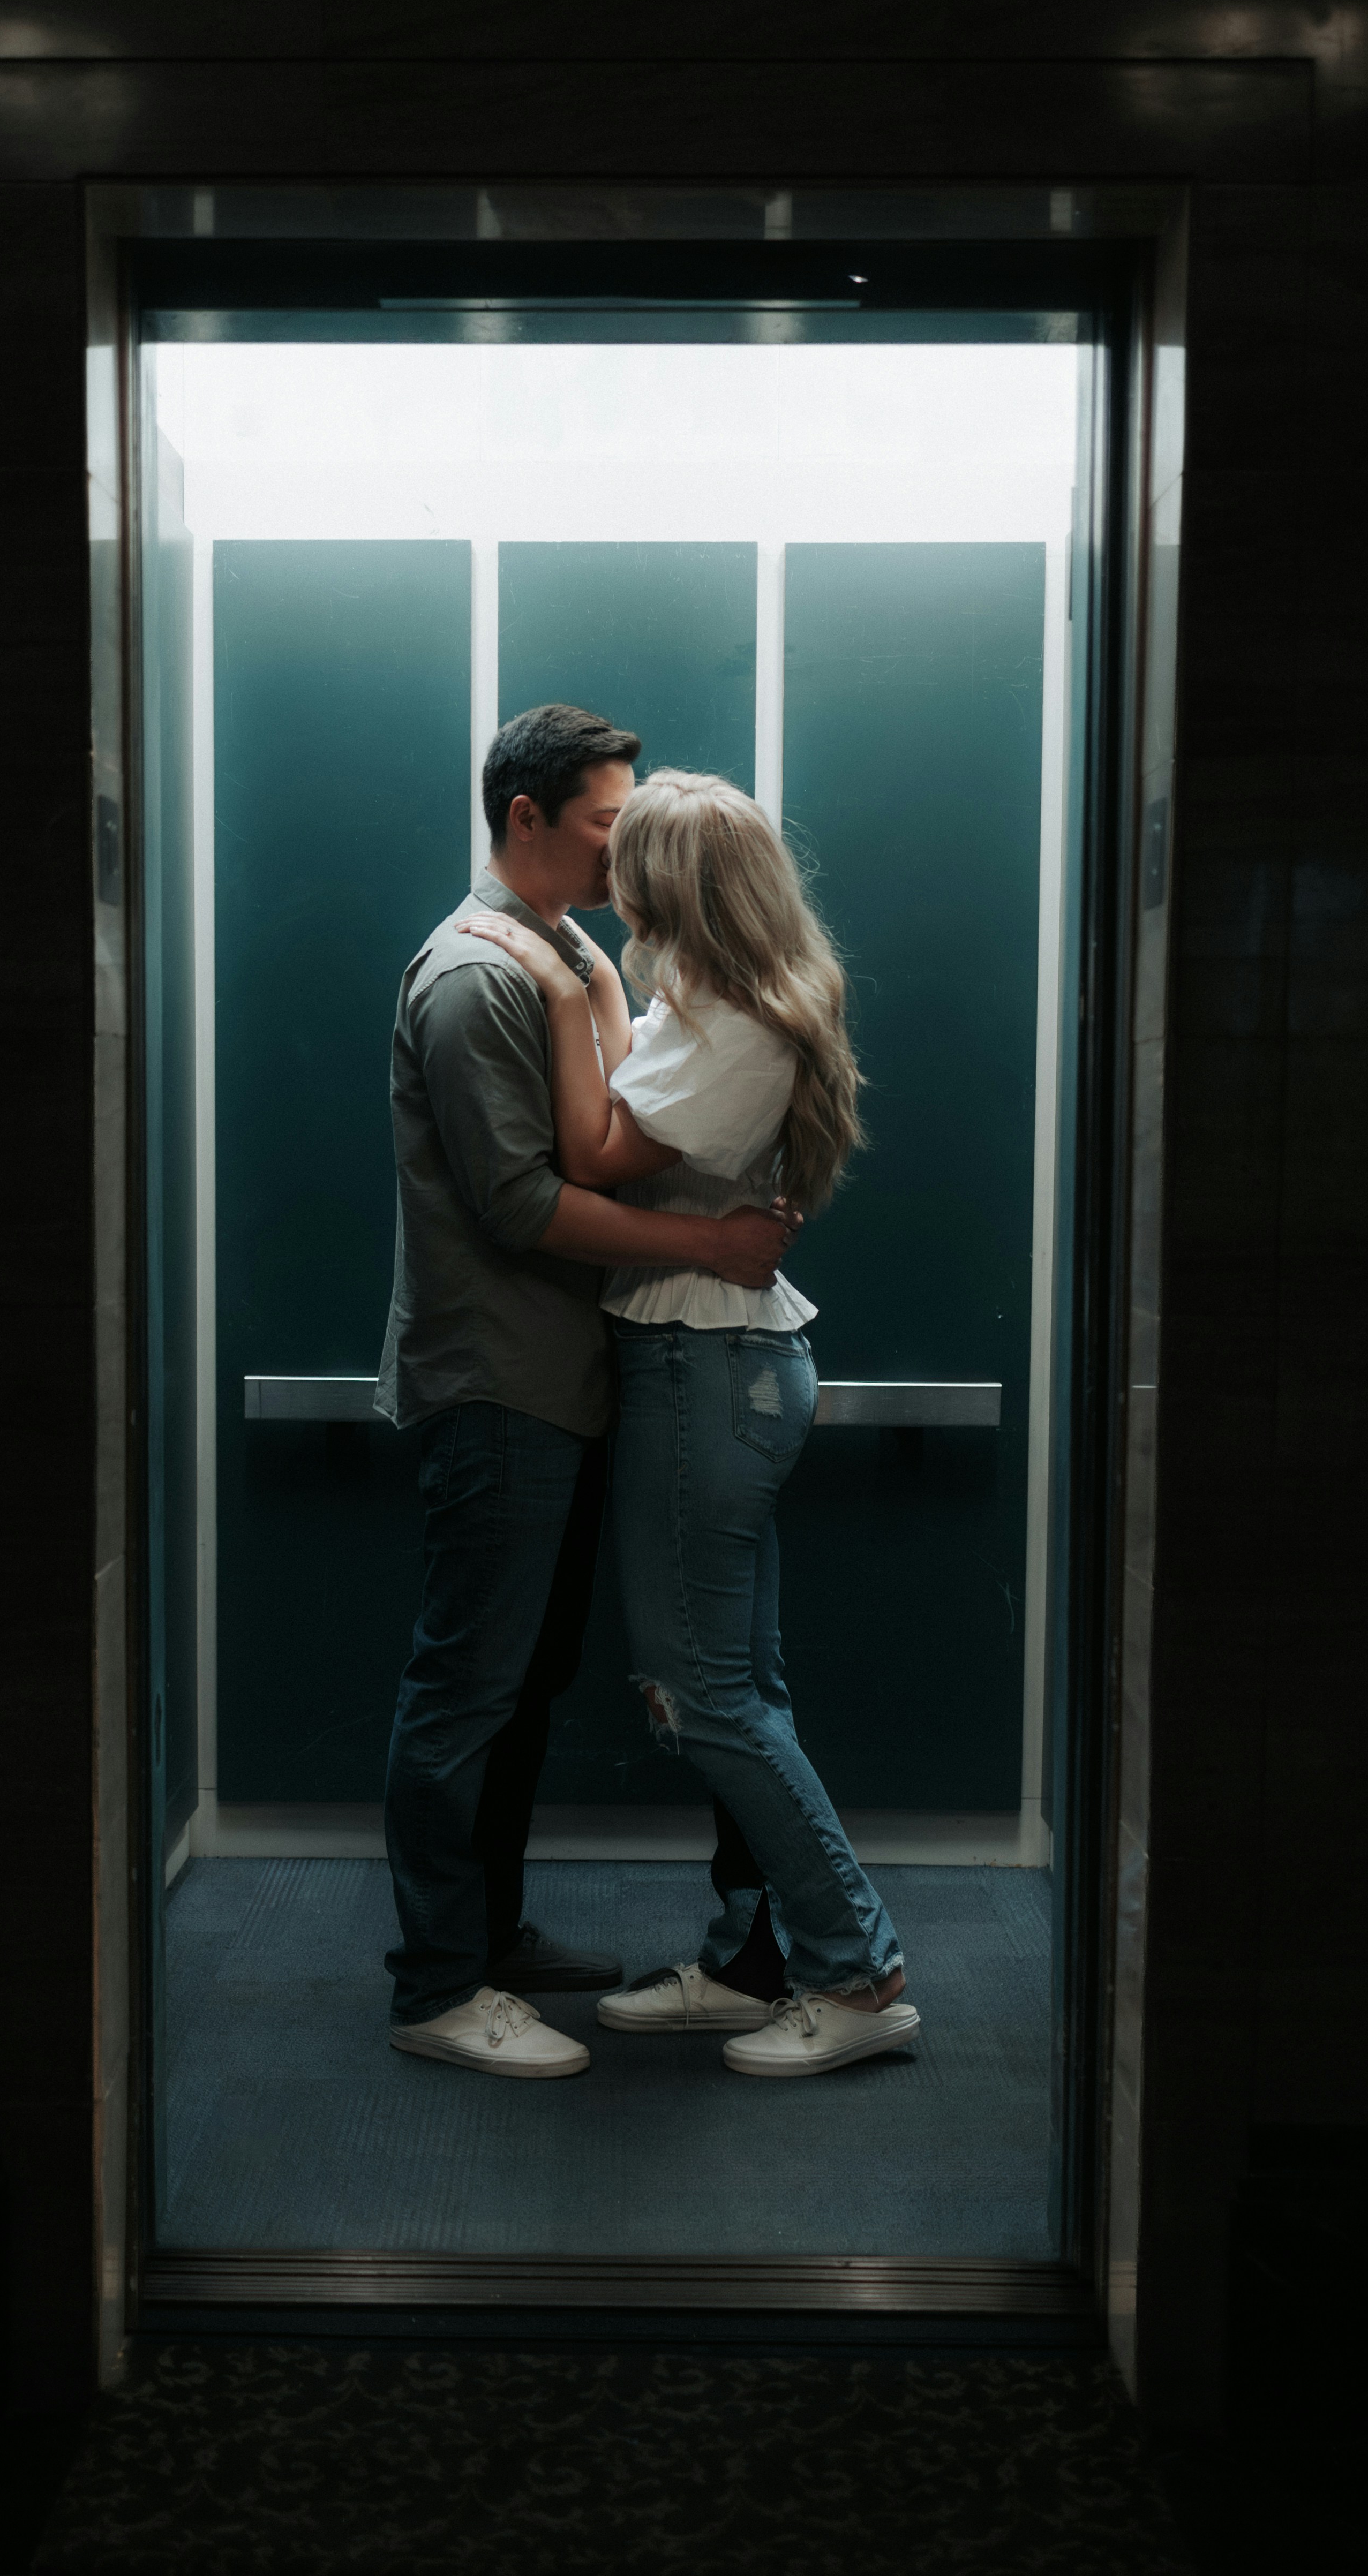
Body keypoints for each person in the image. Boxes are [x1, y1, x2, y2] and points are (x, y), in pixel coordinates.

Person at [458, 768, 919, 2079]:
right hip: (708, 1365)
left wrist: (567, 983)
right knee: (735, 1687)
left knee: (704, 1694)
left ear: (676, 885)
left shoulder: (733, 1027)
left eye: (631, 862)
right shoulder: (714, 1002)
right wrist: (606, 984)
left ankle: (857, 1968)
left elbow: (594, 1155)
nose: (613, 883)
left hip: (700, 1370)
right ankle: (759, 1958)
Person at [378, 711, 799, 2080]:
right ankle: (439, 1984)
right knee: (467, 1688)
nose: (629, 851)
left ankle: (489, 1935)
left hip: (559, 1382)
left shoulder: (564, 956)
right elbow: (521, 1202)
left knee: (525, 1681)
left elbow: (614, 1122)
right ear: (523, 818)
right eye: (608, 826)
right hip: (500, 1382)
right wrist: (712, 1246)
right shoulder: (472, 976)